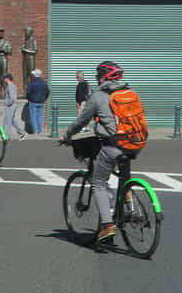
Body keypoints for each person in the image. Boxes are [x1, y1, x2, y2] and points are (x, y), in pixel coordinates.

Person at [62, 61, 131, 242]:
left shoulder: (98, 96)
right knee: (124, 174)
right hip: (133, 143)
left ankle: (107, 226)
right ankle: (129, 199)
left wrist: (67, 135)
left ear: (104, 77)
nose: (97, 79)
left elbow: (82, 121)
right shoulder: (130, 93)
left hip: (112, 144)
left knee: (98, 182)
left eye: (98, 76)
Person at [26, 68, 49, 135]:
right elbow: (48, 92)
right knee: (40, 117)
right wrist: (44, 99)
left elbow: (28, 92)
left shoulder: (32, 82)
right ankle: (40, 131)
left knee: (33, 117)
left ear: (35, 75)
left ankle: (35, 131)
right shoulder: (44, 82)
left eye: (33, 74)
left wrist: (29, 99)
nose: (32, 75)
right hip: (41, 102)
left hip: (33, 101)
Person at [3, 74, 25, 140]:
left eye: (4, 78)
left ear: (7, 78)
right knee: (12, 121)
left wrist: (7, 103)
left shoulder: (10, 86)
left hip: (11, 106)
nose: (4, 79)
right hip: (13, 105)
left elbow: (12, 98)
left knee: (7, 121)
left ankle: (6, 136)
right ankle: (22, 132)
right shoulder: (12, 85)